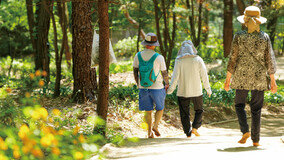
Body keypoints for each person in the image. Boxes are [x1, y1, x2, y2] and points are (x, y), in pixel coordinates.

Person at [224, 6, 277, 147]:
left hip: (241, 76)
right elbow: (269, 60)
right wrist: (273, 81)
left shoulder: (239, 36)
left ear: (245, 21)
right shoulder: (264, 37)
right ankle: (256, 140)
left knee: (239, 105)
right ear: (259, 21)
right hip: (259, 77)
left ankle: (245, 130)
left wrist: (228, 79)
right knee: (256, 109)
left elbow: (232, 59)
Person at [167, 40, 211, 138]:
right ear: (192, 49)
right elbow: (204, 76)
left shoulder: (179, 61)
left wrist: (170, 90)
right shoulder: (198, 59)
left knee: (184, 113)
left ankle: (188, 133)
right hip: (197, 91)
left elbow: (175, 77)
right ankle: (195, 127)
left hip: (183, 91)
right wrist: (208, 89)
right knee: (199, 110)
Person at [133, 33, 169, 138]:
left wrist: (138, 83)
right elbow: (164, 73)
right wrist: (167, 83)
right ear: (154, 45)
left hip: (143, 87)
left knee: (148, 111)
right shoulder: (159, 57)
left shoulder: (138, 55)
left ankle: (149, 132)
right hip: (157, 87)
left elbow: (135, 71)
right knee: (160, 108)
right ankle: (156, 126)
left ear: (145, 44)